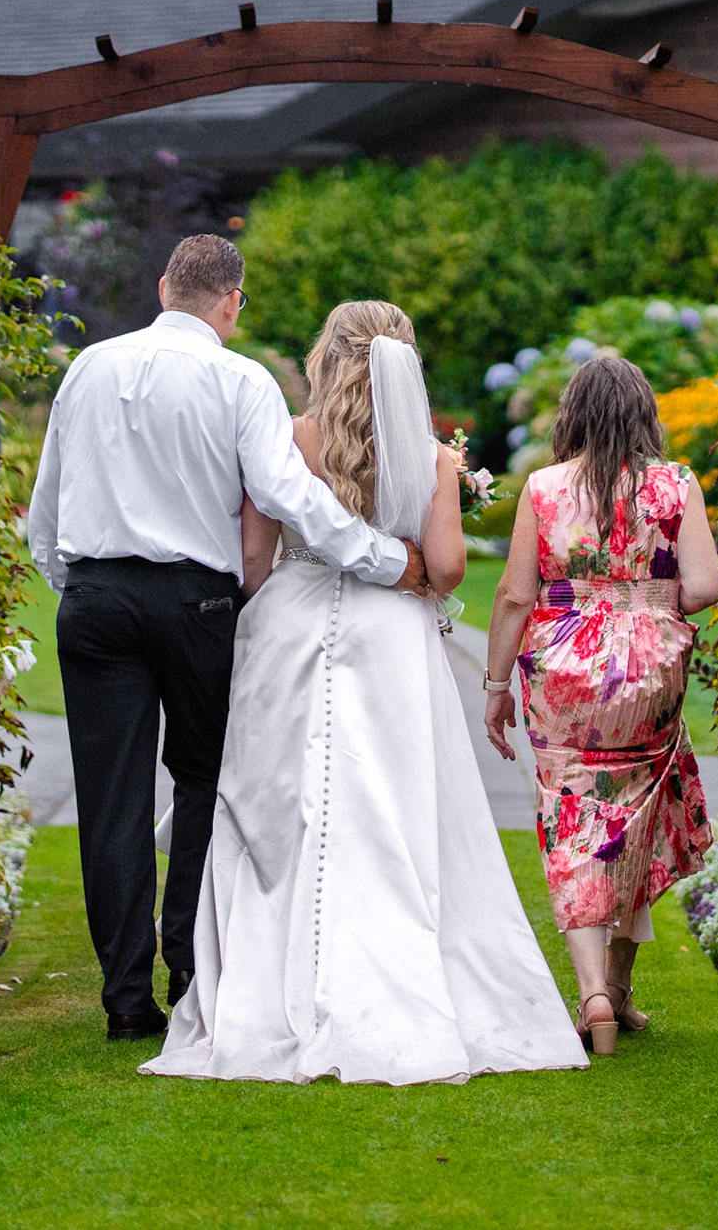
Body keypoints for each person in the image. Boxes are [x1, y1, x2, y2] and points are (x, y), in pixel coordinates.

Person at [141, 301, 585, 1085]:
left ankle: (265, 983)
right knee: (391, 811)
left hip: (288, 626)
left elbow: (254, 557)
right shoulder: (431, 456)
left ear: (327, 355)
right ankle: (394, 973)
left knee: (278, 811)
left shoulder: (290, 438)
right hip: (392, 641)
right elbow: (447, 566)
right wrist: (411, 544)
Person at [26, 237, 430, 1041]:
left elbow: (48, 504)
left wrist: (78, 584)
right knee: (204, 779)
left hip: (97, 600)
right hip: (195, 602)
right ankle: (189, 966)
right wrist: (385, 559)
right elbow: (286, 495)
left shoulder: (89, 367)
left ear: (163, 286)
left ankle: (125, 998)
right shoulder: (242, 380)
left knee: (110, 799)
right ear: (231, 304)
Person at [482, 355, 718, 1055]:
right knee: (637, 816)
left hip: (565, 678)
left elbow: (516, 594)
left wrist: (495, 686)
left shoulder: (544, 487)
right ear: (645, 413)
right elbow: (706, 585)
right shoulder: (676, 485)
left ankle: (596, 996)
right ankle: (617, 986)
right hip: (650, 677)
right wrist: (647, 604)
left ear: (574, 416)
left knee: (574, 819)